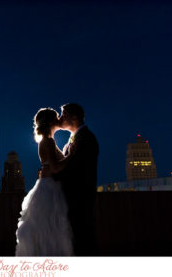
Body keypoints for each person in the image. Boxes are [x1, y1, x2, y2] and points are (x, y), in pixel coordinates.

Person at [15, 108, 74, 256]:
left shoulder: (47, 141)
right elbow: (55, 168)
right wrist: (72, 155)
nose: (60, 118)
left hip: (48, 186)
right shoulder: (48, 141)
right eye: (56, 116)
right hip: (50, 188)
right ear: (50, 122)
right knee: (51, 229)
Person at [53, 103, 99, 256]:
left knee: (82, 240)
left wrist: (51, 173)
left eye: (63, 114)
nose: (60, 118)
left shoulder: (86, 138)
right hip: (71, 199)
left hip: (80, 199)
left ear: (74, 117)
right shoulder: (73, 140)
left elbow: (74, 167)